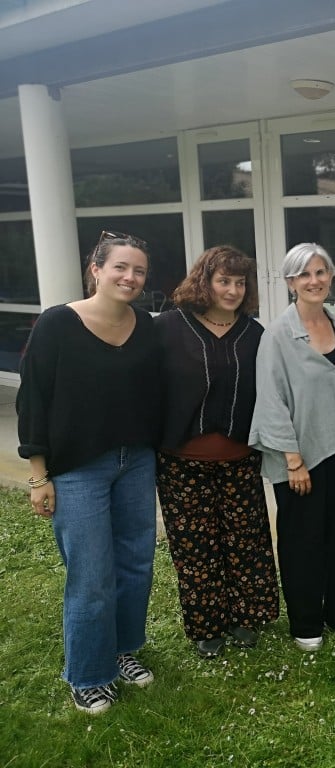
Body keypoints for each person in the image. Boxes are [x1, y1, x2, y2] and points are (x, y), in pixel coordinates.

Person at [17, 231, 162, 714]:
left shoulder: (147, 326)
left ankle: (122, 651)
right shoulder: (58, 324)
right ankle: (87, 674)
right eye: (121, 266)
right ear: (96, 269)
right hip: (78, 469)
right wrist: (39, 475)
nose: (130, 277)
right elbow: (33, 399)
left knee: (136, 564)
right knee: (91, 575)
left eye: (139, 270)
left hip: (135, 462)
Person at [155, 245, 279, 658]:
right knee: (195, 548)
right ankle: (207, 626)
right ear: (204, 282)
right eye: (223, 280)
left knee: (246, 543)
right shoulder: (170, 328)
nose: (232, 290)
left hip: (240, 459)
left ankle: (246, 618)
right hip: (181, 463)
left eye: (239, 282)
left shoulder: (256, 334)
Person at [249, 243, 335, 652]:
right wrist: (293, 460)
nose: (314, 281)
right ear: (290, 282)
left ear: (331, 278)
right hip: (299, 456)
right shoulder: (278, 335)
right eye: (304, 275)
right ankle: (306, 624)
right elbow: (270, 400)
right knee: (302, 539)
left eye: (321, 272)